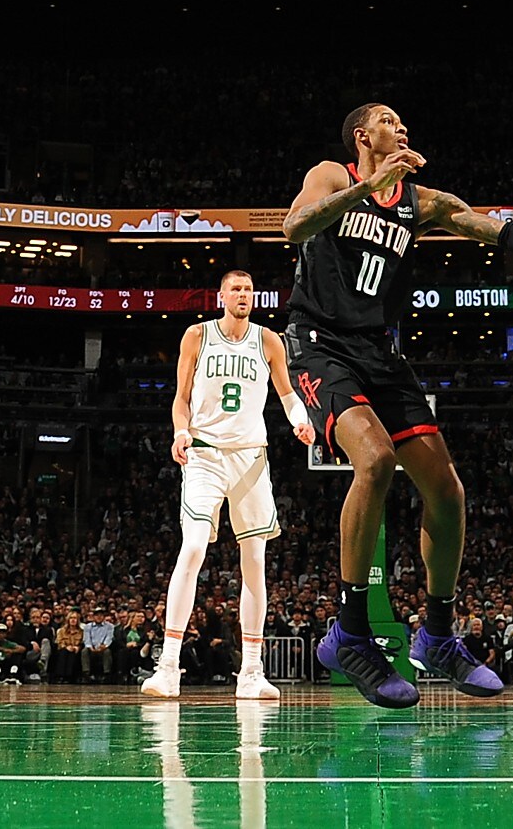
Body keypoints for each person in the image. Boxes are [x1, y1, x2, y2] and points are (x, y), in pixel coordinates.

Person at [283, 105, 513, 707]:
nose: (403, 126)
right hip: (319, 343)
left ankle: (436, 635)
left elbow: (483, 225)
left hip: (380, 352)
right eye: (389, 121)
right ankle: (349, 631)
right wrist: (369, 187)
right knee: (376, 459)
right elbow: (295, 227)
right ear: (363, 137)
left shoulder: (421, 201)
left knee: (447, 490)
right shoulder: (332, 175)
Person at [144, 269, 312, 702]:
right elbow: (181, 398)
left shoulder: (268, 340)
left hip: (250, 457)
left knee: (254, 560)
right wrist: (180, 432)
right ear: (221, 296)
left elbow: (287, 394)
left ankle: (252, 672)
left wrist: (300, 421)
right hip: (204, 454)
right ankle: (168, 667)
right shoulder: (197, 336)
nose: (243, 295)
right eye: (236, 289)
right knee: (193, 547)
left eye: (249, 289)